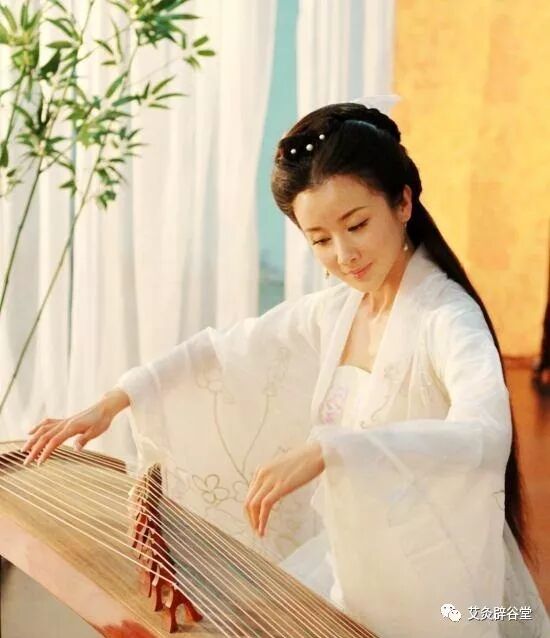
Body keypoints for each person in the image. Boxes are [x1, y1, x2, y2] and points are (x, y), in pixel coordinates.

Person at [22, 103, 549, 637]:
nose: (344, 254)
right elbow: (226, 349)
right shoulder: (341, 308)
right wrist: (115, 400)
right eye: (320, 239)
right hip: (356, 568)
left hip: (436, 593)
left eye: (357, 225)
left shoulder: (447, 318)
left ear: (403, 203)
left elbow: (484, 432)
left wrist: (332, 450)